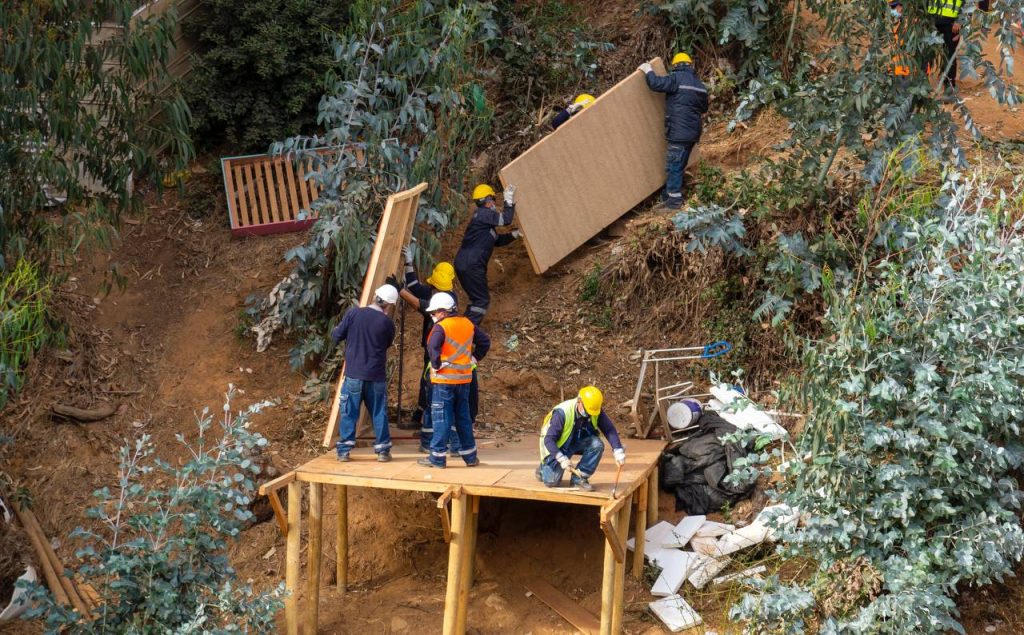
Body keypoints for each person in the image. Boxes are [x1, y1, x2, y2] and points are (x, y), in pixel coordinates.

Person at [417, 293, 491, 469]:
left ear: (443, 312)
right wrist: (474, 358)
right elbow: (485, 341)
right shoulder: (467, 324)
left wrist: (436, 364)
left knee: (441, 418)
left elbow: (432, 347)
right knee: (463, 418)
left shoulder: (440, 327)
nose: (432, 316)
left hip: (444, 381)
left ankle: (437, 458)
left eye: (434, 312)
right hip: (464, 381)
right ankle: (470, 457)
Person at [397, 249, 458, 451]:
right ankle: (420, 415)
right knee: (426, 384)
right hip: (432, 349)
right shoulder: (437, 292)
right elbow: (416, 287)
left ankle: (430, 434)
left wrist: (399, 291)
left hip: (440, 353)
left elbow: (420, 304)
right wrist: (409, 264)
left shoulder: (448, 301)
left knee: (433, 389)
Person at [330, 283, 399, 462]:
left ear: (375, 296)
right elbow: (386, 344)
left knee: (349, 412)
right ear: (389, 305)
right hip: (376, 376)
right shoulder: (387, 324)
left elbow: (336, 336)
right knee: (378, 412)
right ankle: (383, 451)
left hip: (354, 374)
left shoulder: (353, 314)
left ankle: (344, 451)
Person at [639, 53, 709, 209]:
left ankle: (674, 202)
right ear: (690, 65)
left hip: (678, 132)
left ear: (676, 66)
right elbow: (704, 108)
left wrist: (648, 70)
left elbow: (656, 84)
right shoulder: (699, 85)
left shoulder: (676, 79)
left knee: (674, 166)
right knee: (678, 164)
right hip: (692, 134)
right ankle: (668, 196)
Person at [453, 183, 520, 326]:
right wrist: (508, 200)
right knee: (482, 301)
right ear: (488, 200)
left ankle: (461, 329)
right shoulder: (483, 214)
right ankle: (465, 333)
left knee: (476, 299)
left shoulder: (483, 221)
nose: (495, 204)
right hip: (472, 265)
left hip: (466, 264)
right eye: (494, 201)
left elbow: (497, 241)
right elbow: (506, 220)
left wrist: (514, 235)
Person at [536, 386, 626, 492]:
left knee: (597, 444)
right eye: (587, 411)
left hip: (578, 441)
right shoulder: (562, 413)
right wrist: (561, 458)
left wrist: (618, 450)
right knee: (552, 481)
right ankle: (543, 468)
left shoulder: (594, 410)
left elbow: (609, 429)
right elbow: (549, 440)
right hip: (558, 447)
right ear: (579, 401)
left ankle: (579, 479)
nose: (589, 414)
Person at [927, 0, 962, 98]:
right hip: (931, 21)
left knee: (949, 54)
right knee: (926, 54)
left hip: (951, 23)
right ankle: (923, 83)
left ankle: (949, 86)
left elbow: (968, 3)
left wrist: (960, 21)